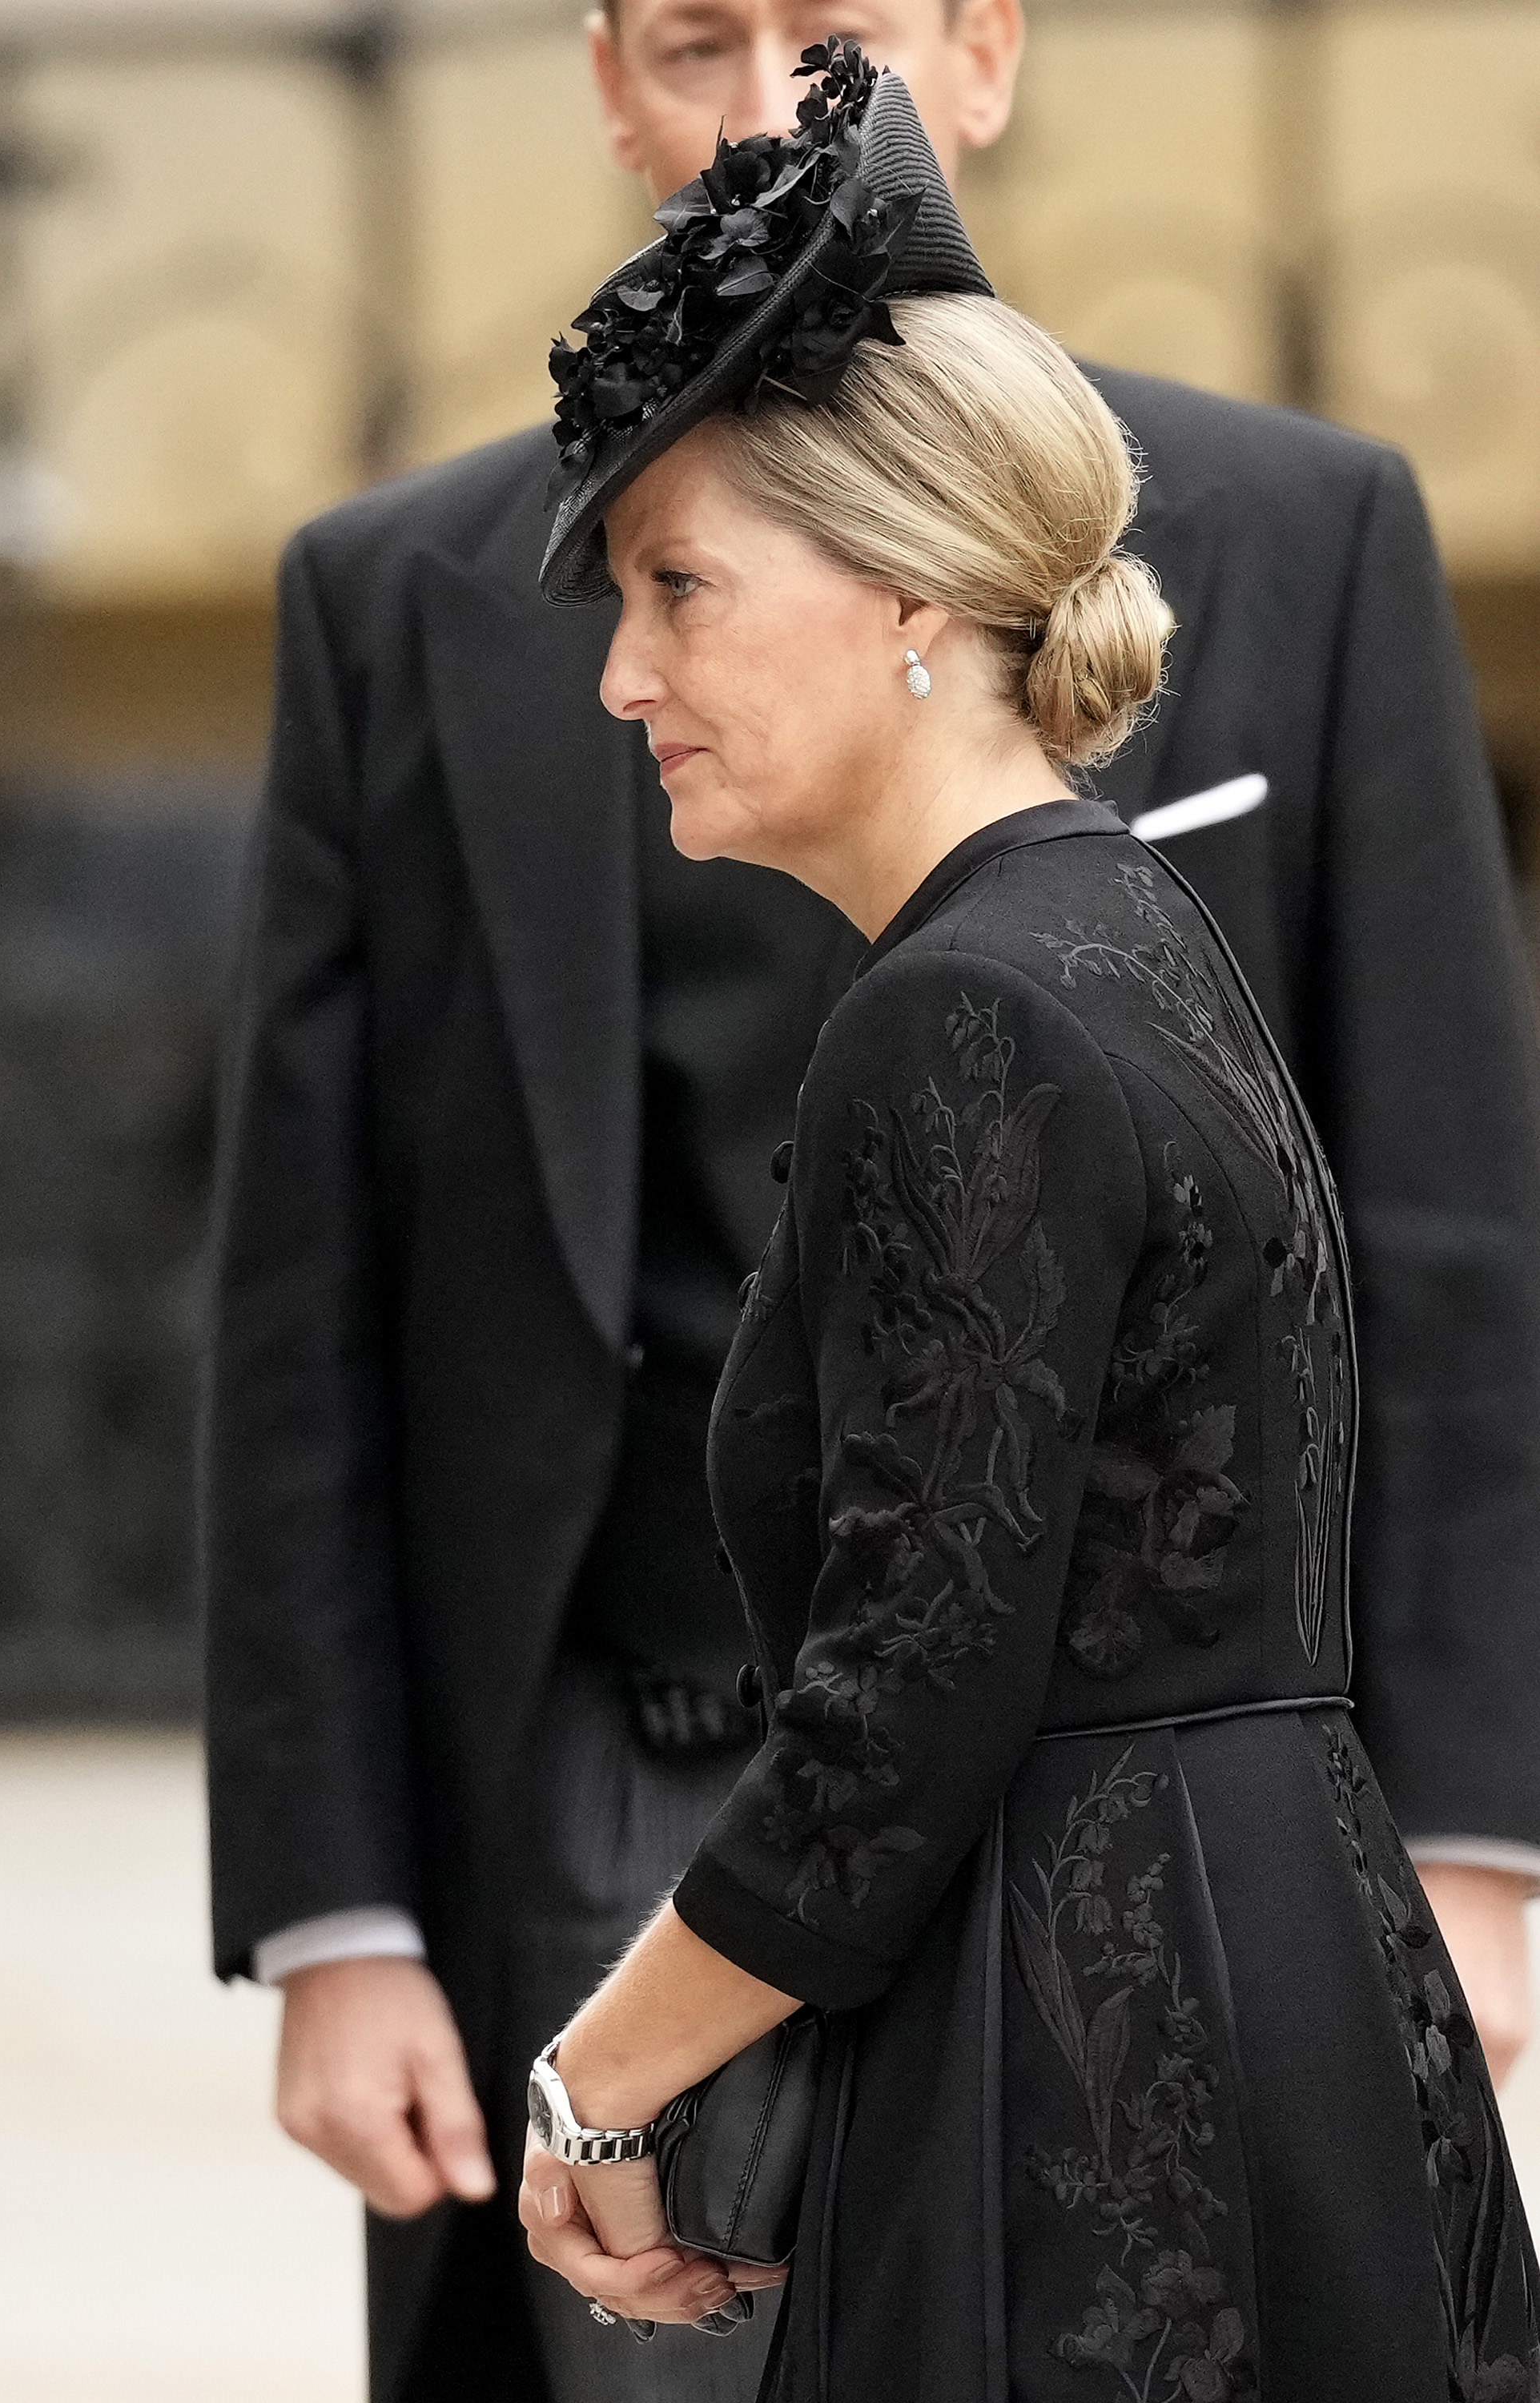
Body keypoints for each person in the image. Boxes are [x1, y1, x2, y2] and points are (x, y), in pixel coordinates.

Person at [200, 2, 1540, 2398]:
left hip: (1039, 1965)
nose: (621, 677)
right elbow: (304, 1301)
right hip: (1193, 1938)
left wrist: (593, 2075)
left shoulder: (979, 1003)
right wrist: (348, 1916)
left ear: (921, 593)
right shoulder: (1116, 923)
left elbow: (920, 1691)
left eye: (678, 593)